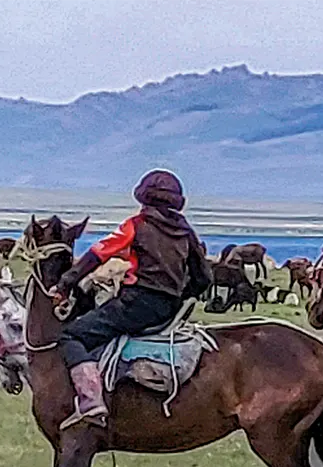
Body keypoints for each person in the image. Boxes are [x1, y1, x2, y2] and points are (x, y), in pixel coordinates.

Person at [51, 169, 212, 429]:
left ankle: (91, 401)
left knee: (73, 336)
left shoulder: (136, 225)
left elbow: (99, 253)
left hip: (136, 303)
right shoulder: (187, 233)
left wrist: (66, 282)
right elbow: (203, 278)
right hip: (169, 308)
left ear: (143, 197)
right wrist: (180, 296)